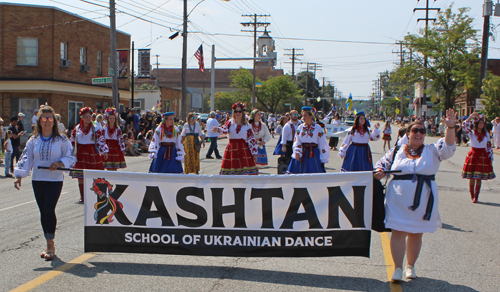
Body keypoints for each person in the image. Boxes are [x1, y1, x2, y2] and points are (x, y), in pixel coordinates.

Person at [374, 109, 456, 282]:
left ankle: (410, 266)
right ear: (408, 133)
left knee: (416, 233)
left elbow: (448, 148)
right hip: (398, 199)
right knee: (398, 231)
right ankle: (397, 268)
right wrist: (380, 172)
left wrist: (450, 127)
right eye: (415, 130)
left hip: (424, 199)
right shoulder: (397, 150)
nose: (419, 133)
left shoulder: (432, 150)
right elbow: (381, 166)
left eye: (422, 131)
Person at [14, 106, 76, 261]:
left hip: (54, 180)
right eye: (44, 118)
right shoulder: (33, 140)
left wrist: (60, 163)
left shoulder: (62, 140)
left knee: (49, 208)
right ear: (39, 121)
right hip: (38, 179)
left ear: (54, 121)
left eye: (50, 118)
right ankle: (48, 241)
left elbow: (70, 157)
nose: (47, 121)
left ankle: (50, 244)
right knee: (43, 211)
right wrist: (19, 175)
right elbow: (26, 158)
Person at [69, 107, 109, 202]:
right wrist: (70, 153)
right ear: (82, 117)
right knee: (81, 176)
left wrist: (105, 151)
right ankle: (83, 197)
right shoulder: (77, 128)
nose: (88, 118)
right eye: (86, 117)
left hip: (92, 153)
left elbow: (100, 140)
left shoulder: (95, 128)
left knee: (94, 175)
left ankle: (95, 195)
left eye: (89, 116)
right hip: (81, 153)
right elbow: (72, 140)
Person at [211, 102, 258, 175]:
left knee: (244, 171)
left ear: (243, 113)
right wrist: (218, 129)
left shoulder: (246, 125)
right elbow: (224, 129)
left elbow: (251, 139)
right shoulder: (230, 122)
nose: (238, 113)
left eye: (240, 111)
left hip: (243, 149)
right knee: (230, 170)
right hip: (232, 149)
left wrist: (254, 154)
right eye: (236, 111)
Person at [461, 112, 495, 203]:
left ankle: (476, 196)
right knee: (472, 176)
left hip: (482, 155)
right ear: (476, 124)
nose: (481, 124)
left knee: (479, 177)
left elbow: (488, 145)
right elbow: (464, 125)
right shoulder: (471, 132)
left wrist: (490, 156)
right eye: (479, 123)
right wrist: (470, 117)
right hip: (473, 154)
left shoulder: (486, 134)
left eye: (482, 123)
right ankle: (472, 195)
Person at [287, 107, 329, 173]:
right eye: (302, 115)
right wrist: (297, 151)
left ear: (311, 116)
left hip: (313, 153)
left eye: (305, 115)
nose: (303, 117)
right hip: (302, 152)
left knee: (314, 172)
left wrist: (323, 157)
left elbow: (323, 143)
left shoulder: (318, 128)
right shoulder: (300, 127)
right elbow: (297, 140)